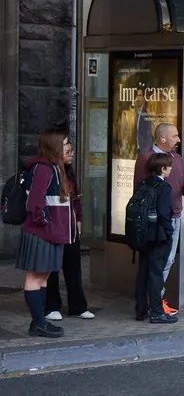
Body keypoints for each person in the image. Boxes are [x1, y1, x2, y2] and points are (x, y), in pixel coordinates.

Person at [134, 123, 184, 316]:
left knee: (167, 261)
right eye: (175, 136)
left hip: (174, 216)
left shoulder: (176, 159)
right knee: (154, 262)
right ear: (162, 138)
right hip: (154, 220)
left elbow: (180, 185)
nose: (178, 140)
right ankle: (153, 303)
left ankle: (154, 301)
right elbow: (139, 190)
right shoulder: (145, 158)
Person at [17, 130, 74, 338]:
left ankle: (39, 322)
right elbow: (35, 203)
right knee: (35, 277)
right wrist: (46, 224)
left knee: (43, 277)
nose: (69, 147)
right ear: (54, 146)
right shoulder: (43, 169)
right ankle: (38, 324)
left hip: (49, 232)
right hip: (41, 233)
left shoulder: (54, 168)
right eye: (65, 143)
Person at [44, 138, 94, 322]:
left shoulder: (69, 174)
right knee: (52, 269)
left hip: (70, 226)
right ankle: (51, 306)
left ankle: (78, 306)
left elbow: (76, 200)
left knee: (73, 267)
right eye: (67, 152)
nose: (71, 155)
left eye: (71, 151)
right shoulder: (48, 172)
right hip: (54, 226)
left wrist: (78, 221)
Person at [133, 153, 179, 324]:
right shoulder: (164, 188)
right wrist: (169, 233)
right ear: (163, 169)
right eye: (169, 166)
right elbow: (164, 213)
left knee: (143, 272)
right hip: (158, 236)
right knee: (156, 274)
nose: (171, 169)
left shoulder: (143, 184)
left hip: (143, 235)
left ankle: (140, 310)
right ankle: (157, 312)